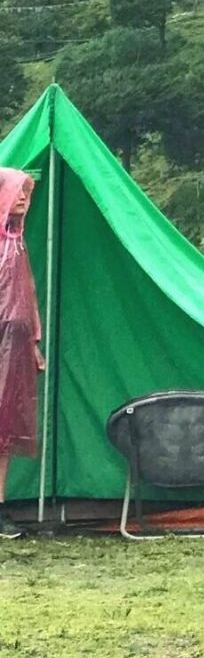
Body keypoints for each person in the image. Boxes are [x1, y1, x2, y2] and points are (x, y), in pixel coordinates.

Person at [0, 168, 42, 539]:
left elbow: (25, 300)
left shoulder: (18, 243)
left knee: (4, 429)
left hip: (13, 350)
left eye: (26, 192)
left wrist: (33, 344)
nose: (23, 197)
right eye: (16, 191)